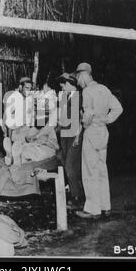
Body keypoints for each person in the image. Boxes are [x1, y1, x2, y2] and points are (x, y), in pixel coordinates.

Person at [74, 62, 123, 219]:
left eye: (78, 79)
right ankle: (105, 206)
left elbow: (87, 115)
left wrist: (85, 123)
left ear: (83, 75)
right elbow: (118, 108)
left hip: (92, 132)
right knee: (102, 170)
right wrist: (106, 119)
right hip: (103, 133)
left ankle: (92, 210)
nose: (79, 83)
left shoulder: (88, 91)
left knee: (89, 171)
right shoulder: (104, 89)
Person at [56, 73, 85, 209]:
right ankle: (78, 193)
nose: (62, 87)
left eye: (63, 84)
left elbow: (79, 119)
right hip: (66, 135)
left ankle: (76, 197)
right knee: (70, 164)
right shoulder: (68, 97)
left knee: (70, 166)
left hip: (74, 136)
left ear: (69, 84)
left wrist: (78, 136)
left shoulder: (78, 98)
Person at [2, 77, 35, 165]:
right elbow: (8, 118)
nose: (29, 91)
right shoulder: (14, 98)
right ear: (20, 87)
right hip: (16, 130)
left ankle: (14, 154)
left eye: (30, 89)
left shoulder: (27, 98)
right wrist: (9, 135)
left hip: (24, 129)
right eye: (27, 88)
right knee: (19, 145)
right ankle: (12, 153)